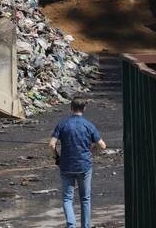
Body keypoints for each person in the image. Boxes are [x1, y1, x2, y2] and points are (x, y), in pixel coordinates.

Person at [49, 96, 106, 228]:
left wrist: (57, 157)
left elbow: (51, 145)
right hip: (84, 166)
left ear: (71, 108)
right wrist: (91, 150)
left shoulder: (62, 124)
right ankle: (85, 226)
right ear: (84, 109)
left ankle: (71, 225)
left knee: (67, 198)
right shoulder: (88, 125)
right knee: (85, 199)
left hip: (66, 165)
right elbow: (102, 146)